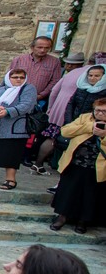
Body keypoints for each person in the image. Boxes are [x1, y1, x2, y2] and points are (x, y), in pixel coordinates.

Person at [50, 94, 106, 233]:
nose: (100, 113)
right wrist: (90, 127)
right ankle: (62, 217)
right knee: (68, 190)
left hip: (96, 166)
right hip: (74, 162)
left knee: (90, 194)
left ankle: (82, 221)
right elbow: (66, 131)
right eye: (97, 110)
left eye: (104, 111)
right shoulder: (84, 118)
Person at [0, 67, 37, 190]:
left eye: (21, 77)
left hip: (14, 128)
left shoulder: (28, 89)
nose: (18, 80)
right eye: (15, 77)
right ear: (9, 78)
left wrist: (8, 111)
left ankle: (10, 179)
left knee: (11, 154)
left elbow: (26, 105)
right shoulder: (1, 89)